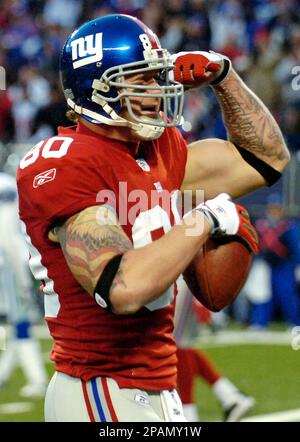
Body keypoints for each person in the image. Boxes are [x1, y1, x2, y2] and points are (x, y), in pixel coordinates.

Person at [16, 14, 289, 422]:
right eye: (140, 80)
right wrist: (203, 219)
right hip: (101, 389)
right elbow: (122, 287)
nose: (157, 92)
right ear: (96, 90)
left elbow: (266, 158)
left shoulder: (160, 149)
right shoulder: (65, 163)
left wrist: (225, 77)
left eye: (158, 77)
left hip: (155, 384)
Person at [175, 278, 255, 422]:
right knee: (180, 345)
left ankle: (188, 414)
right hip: (179, 273)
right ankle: (231, 396)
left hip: (184, 273)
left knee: (178, 343)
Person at [0, 172, 47, 398]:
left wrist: (18, 275)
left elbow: (7, 235)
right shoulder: (7, 183)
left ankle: (36, 380)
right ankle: (3, 374)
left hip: (10, 262)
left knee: (20, 323)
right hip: (12, 261)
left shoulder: (4, 186)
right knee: (16, 323)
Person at [251, 194, 300, 328]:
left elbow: (296, 247)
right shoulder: (261, 225)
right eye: (272, 208)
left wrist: (297, 265)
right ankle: (259, 323)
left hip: (285, 266)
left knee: (287, 295)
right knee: (263, 295)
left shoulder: (289, 226)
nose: (274, 211)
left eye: (277, 208)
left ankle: (295, 323)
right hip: (267, 265)